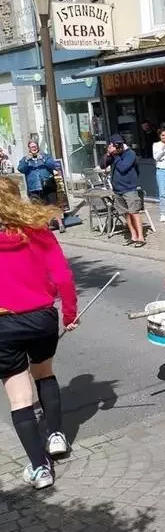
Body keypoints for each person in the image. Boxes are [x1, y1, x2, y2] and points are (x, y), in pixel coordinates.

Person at [0, 177, 78, 489]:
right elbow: (62, 274)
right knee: (44, 373)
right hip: (42, 317)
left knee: (19, 396)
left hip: (4, 323)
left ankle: (39, 467)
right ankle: (57, 436)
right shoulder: (36, 229)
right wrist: (69, 311)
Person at [101, 134, 144, 247]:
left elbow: (123, 167)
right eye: (114, 145)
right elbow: (102, 165)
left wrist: (115, 156)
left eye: (118, 145)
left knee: (134, 212)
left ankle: (141, 237)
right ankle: (133, 235)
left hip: (129, 189)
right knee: (126, 214)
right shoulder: (114, 155)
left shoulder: (130, 154)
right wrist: (108, 154)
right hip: (118, 189)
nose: (117, 147)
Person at [17, 140, 65, 233]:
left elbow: (53, 165)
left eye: (35, 146)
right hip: (34, 187)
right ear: (29, 149)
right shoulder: (25, 159)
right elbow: (21, 169)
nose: (34, 148)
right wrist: (27, 160)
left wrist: (42, 159)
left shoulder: (45, 156)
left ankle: (60, 224)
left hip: (48, 185)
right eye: (32, 147)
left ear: (37, 147)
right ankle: (45, 226)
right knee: (39, 208)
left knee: (53, 205)